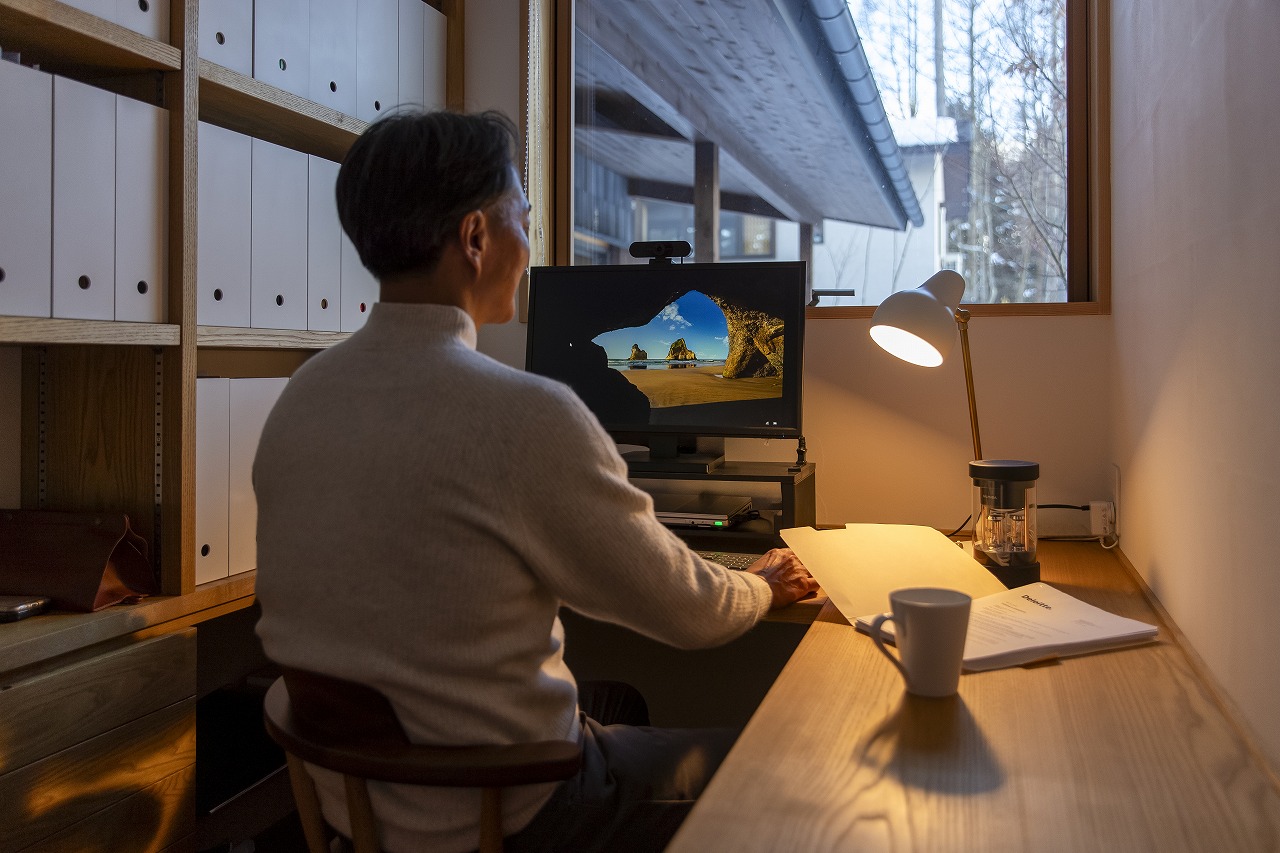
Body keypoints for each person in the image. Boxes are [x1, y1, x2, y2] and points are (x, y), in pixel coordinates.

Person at [252, 109, 819, 853]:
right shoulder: (522, 415)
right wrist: (764, 582)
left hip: (354, 801)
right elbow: (684, 608)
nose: (530, 241)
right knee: (791, 766)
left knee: (621, 697)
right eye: (524, 214)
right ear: (477, 237)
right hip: (495, 805)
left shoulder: (302, 396)